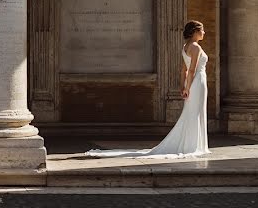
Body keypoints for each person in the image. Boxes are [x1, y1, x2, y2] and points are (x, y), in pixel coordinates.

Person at [85, 20, 210, 159]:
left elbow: (183, 71)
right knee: (196, 112)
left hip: (192, 82)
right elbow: (191, 70)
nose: (204, 32)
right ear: (194, 32)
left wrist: (183, 86)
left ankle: (192, 144)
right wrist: (187, 88)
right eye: (202, 30)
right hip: (198, 81)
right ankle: (194, 145)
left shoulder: (185, 46)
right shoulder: (196, 47)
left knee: (191, 112)